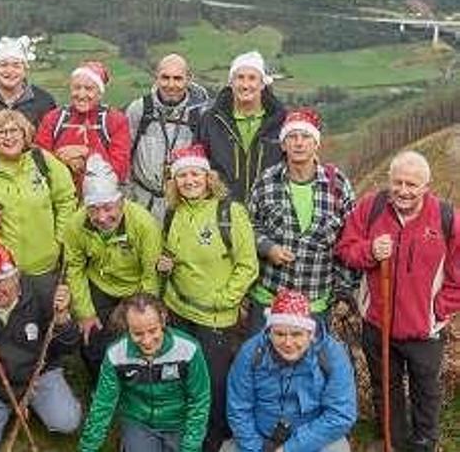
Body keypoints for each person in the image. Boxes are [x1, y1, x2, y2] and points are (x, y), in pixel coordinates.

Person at [336, 150, 460, 452]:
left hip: (424, 329)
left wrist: (438, 310)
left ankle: (423, 443)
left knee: (426, 390)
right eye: (398, 182)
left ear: (426, 186)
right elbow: (345, 249)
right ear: (389, 181)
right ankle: (393, 441)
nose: (403, 191)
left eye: (412, 185)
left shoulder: (446, 219)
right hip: (378, 322)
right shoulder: (372, 208)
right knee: (385, 387)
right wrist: (369, 251)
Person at [159, 144, 259, 452]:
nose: (189, 181)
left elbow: (247, 265)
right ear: (174, 181)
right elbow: (170, 253)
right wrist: (165, 263)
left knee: (215, 384)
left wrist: (223, 299)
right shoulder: (173, 212)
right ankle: (188, 431)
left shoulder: (229, 212)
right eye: (182, 175)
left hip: (215, 317)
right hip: (179, 311)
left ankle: (215, 439)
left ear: (208, 176)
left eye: (195, 174)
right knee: (185, 376)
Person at [0, 243, 81, 452]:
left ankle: (34, 403)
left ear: (16, 277)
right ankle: (6, 408)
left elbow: (68, 347)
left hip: (38, 375)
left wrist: (62, 320)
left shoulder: (42, 293)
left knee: (67, 421)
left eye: (0, 283)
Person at [246, 108, 357, 331]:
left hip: (315, 303)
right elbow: (248, 226)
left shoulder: (337, 186)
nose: (299, 143)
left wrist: (344, 292)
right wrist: (267, 247)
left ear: (316, 144)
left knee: (311, 365)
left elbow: (350, 240)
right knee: (261, 363)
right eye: (292, 137)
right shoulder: (266, 181)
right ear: (283, 144)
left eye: (305, 137)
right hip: (268, 298)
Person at [63, 154, 162, 379]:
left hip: (136, 288)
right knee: (93, 341)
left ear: (121, 202)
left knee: (137, 337)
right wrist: (85, 313)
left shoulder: (144, 224)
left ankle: (137, 384)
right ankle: (101, 388)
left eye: (108, 208)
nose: (102, 217)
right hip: (100, 284)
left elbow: (150, 275)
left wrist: (142, 311)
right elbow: (74, 269)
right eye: (94, 209)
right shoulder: (75, 225)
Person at [226, 288, 357, 452]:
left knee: (338, 448)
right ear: (269, 332)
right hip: (260, 438)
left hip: (311, 439)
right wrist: (254, 448)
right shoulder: (251, 352)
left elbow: (341, 415)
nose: (288, 343)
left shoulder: (332, 354)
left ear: (310, 333)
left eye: (296, 334)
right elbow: (238, 407)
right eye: (280, 334)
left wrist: (290, 449)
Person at [79, 293, 211, 452]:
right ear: (127, 328)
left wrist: (191, 446)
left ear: (163, 319)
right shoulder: (115, 354)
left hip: (179, 422)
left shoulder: (189, 349)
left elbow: (199, 400)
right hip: (138, 422)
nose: (147, 341)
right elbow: (103, 404)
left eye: (153, 330)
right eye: (137, 334)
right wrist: (87, 448)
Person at [0, 109, 76, 279]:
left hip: (42, 268)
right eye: (1, 132)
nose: (9, 137)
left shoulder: (44, 161)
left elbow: (66, 200)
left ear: (24, 134)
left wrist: (59, 241)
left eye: (14, 131)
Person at [125, 53, 209, 221]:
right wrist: (128, 198)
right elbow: (125, 155)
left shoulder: (201, 115)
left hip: (184, 206)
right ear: (156, 78)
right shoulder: (140, 110)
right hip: (142, 204)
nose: (171, 85)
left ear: (188, 79)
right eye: (165, 78)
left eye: (178, 78)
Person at [195, 51, 286, 203]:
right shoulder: (210, 121)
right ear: (231, 83)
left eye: (252, 78)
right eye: (240, 78)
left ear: (263, 84)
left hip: (268, 211)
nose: (245, 85)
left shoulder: (281, 122)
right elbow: (197, 164)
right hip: (221, 211)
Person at [35, 61, 131, 190]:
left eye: (89, 89)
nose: (81, 95)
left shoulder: (115, 120)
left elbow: (120, 171)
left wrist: (86, 154)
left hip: (101, 200)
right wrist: (62, 160)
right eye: (76, 87)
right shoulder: (54, 118)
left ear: (100, 92)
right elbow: (38, 161)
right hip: (59, 196)